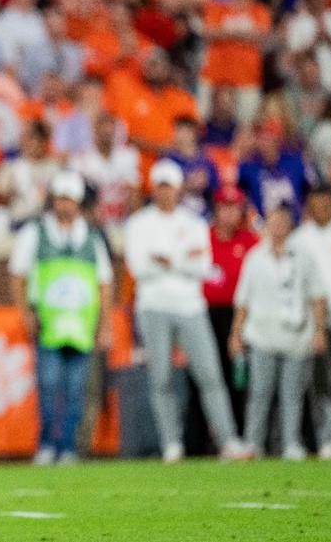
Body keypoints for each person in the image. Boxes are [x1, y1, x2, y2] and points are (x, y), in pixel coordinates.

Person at [124, 159, 250, 463]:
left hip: (190, 306)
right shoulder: (139, 224)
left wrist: (168, 261)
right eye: (160, 187)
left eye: (170, 186)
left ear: (178, 188)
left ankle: (227, 439)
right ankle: (171, 443)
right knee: (161, 378)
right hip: (153, 305)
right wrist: (182, 261)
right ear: (153, 189)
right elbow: (139, 267)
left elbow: (202, 267)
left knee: (210, 374)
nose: (165, 193)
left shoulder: (193, 223)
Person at [9, 172, 113, 465]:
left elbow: (105, 282)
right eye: (60, 198)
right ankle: (46, 443)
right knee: (49, 383)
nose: (64, 205)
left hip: (82, 323)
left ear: (79, 202)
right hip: (48, 322)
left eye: (69, 199)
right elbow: (18, 275)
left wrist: (104, 324)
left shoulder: (92, 236)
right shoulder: (36, 232)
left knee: (77, 387)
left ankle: (67, 446)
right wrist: (26, 313)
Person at [230, 203, 328, 460]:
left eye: (283, 222)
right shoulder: (255, 257)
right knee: (260, 393)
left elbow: (317, 296)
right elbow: (243, 300)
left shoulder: (303, 256)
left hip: (296, 335)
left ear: (290, 225)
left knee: (292, 395)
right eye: (273, 222)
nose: (278, 227)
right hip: (262, 334)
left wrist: (319, 330)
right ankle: (253, 442)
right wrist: (235, 334)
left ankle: (291, 443)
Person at [292, 185, 331, 460]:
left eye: (326, 205)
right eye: (316, 205)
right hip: (315, 325)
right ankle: (328, 439)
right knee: (321, 385)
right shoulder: (300, 239)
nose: (321, 210)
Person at [202, 186, 257, 434]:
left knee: (239, 378)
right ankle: (203, 440)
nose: (228, 213)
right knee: (206, 377)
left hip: (239, 316)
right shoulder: (203, 238)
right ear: (216, 209)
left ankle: (240, 433)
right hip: (206, 315)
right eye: (224, 207)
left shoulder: (251, 241)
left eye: (234, 208)